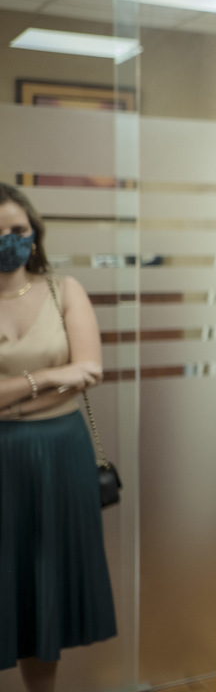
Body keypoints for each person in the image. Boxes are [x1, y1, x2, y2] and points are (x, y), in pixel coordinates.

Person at [0, 184, 111, 692]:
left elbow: (90, 369)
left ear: (34, 234)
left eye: (17, 231)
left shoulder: (63, 290)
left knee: (44, 591)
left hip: (61, 454)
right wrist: (48, 377)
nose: (9, 241)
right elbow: (70, 373)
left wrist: (13, 393)